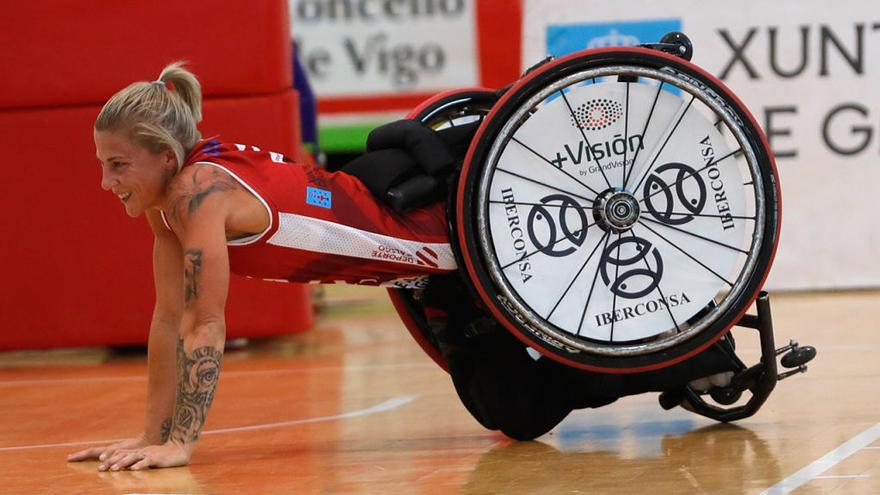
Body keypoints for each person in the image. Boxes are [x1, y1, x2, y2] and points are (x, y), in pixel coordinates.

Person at [68, 62, 742, 470]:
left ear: (164, 155)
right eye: (102, 164)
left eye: (117, 165)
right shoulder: (169, 206)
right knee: (508, 412)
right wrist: (150, 434)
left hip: (436, 232)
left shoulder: (199, 196)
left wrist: (182, 442)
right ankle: (672, 360)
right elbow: (165, 323)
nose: (105, 183)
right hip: (400, 250)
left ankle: (691, 351)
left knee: (515, 401)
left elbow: (202, 326)